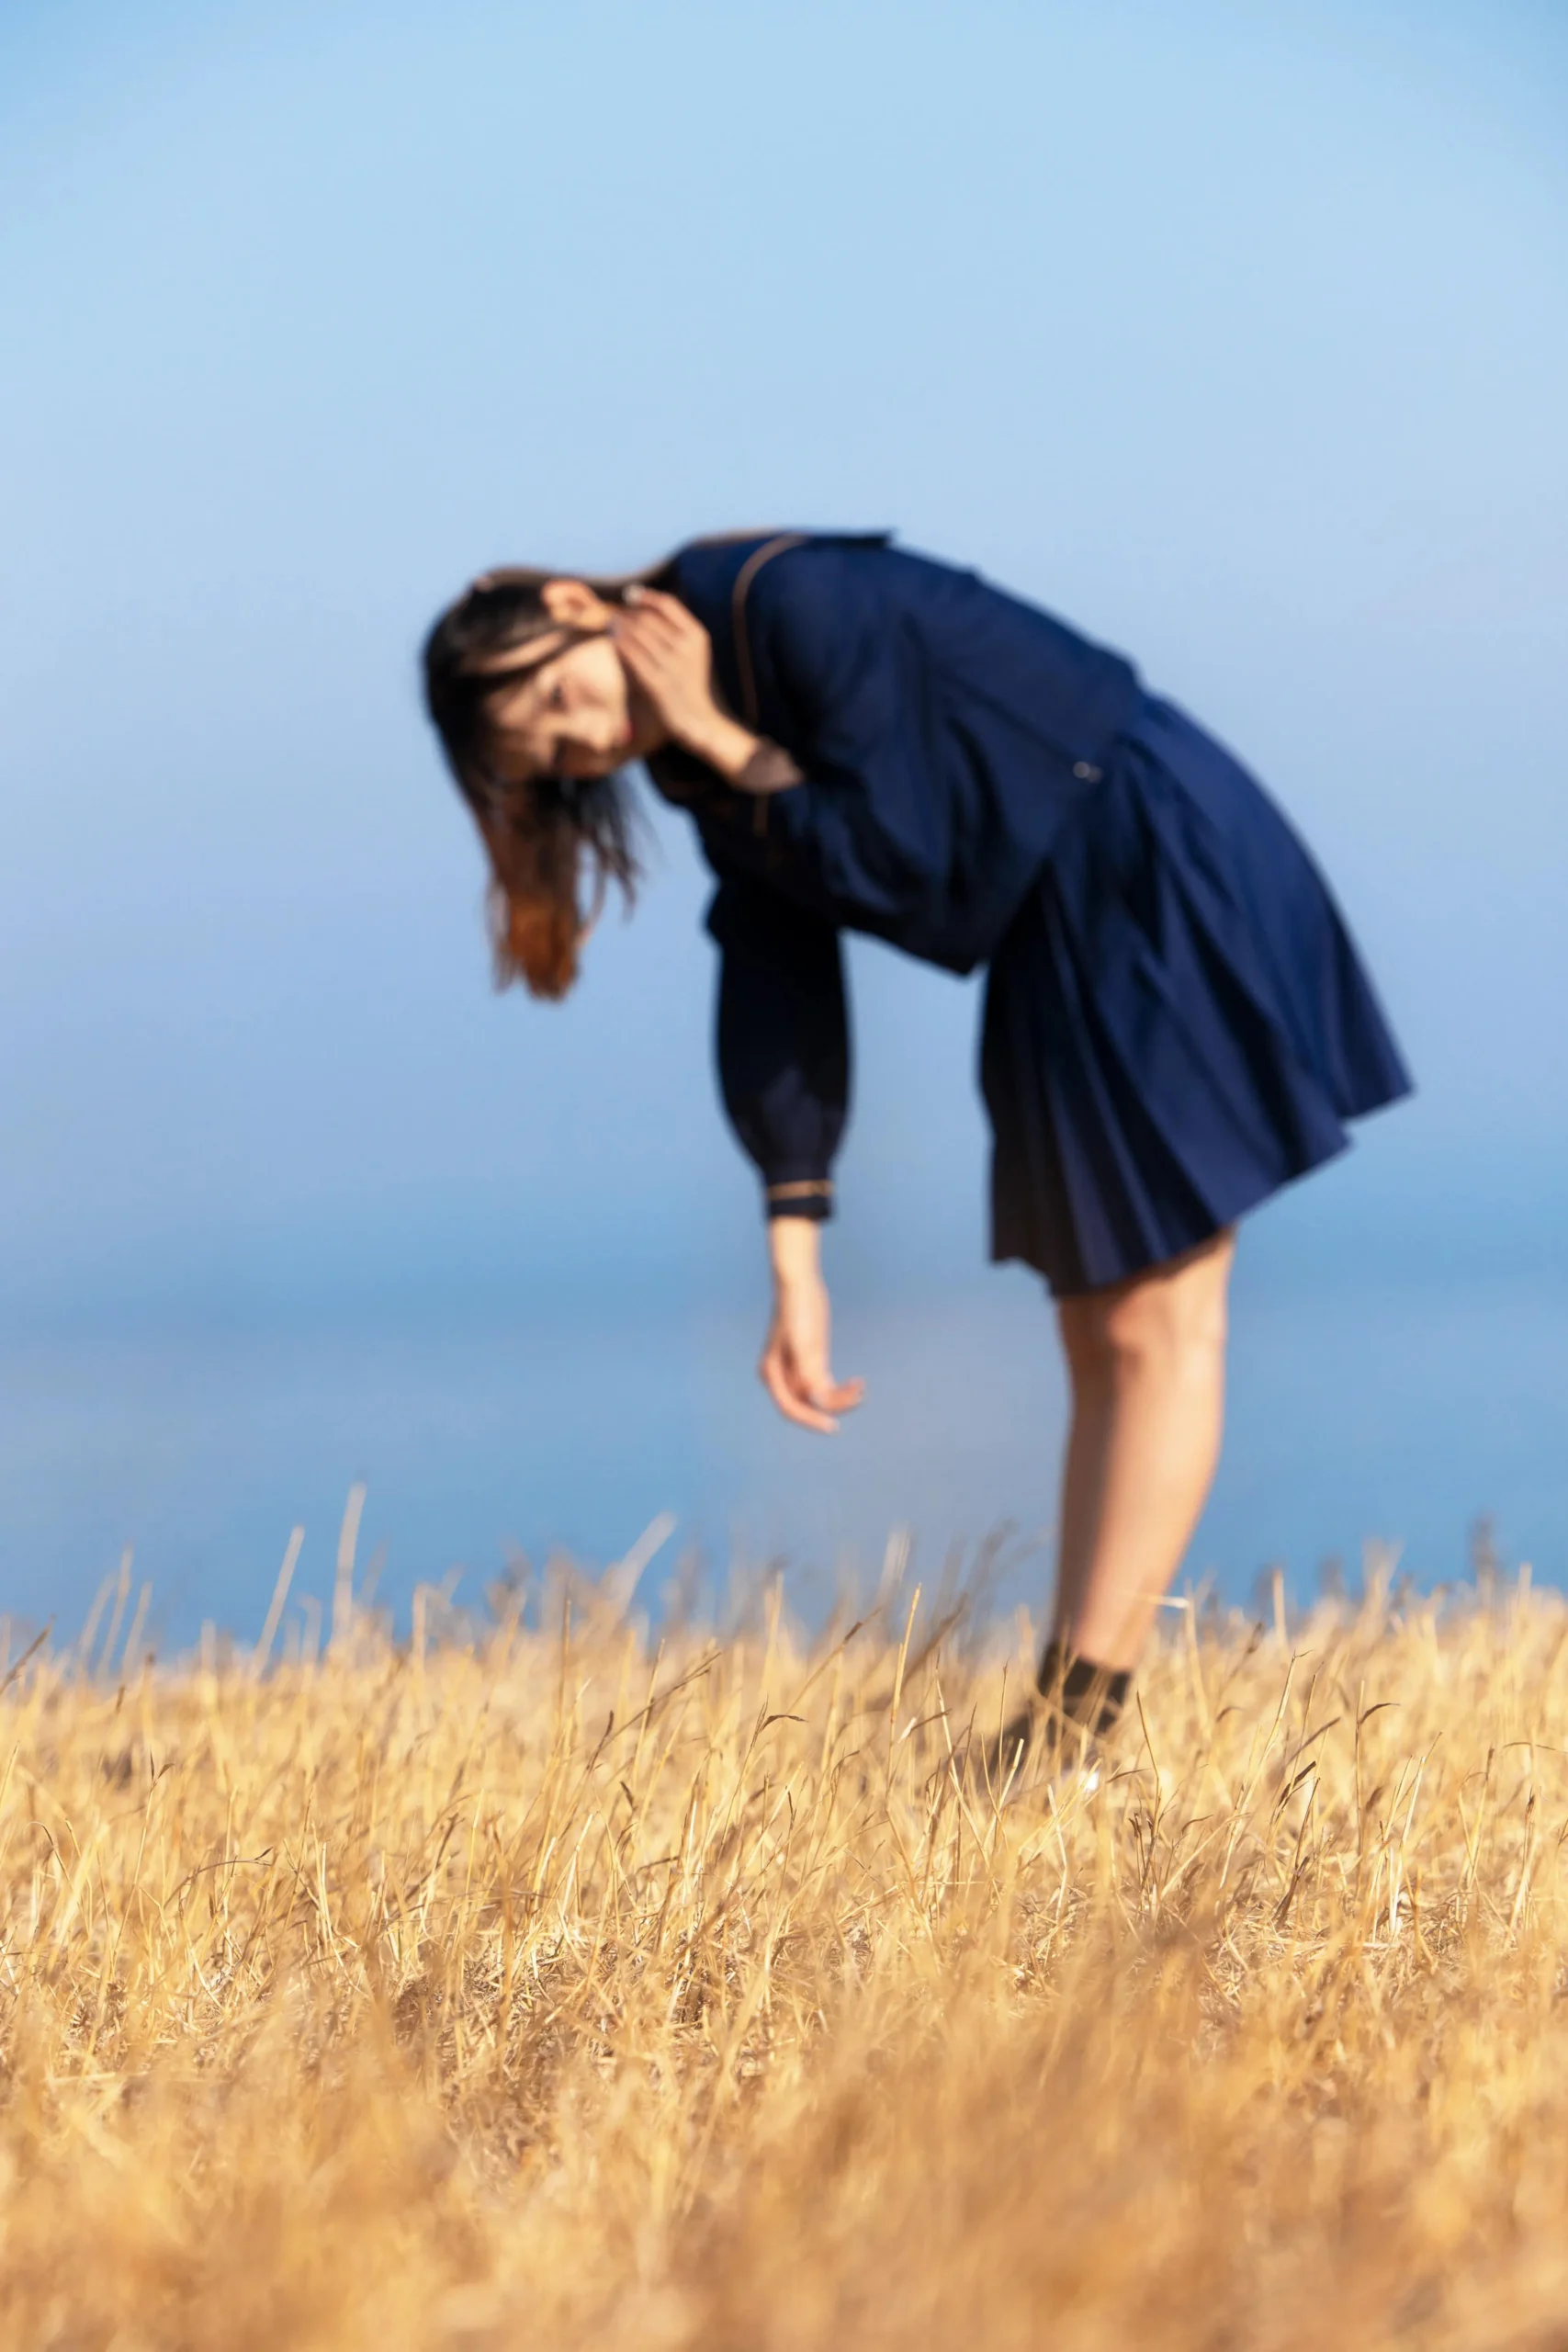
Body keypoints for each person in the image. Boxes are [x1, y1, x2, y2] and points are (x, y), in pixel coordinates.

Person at [422, 531, 1410, 1772]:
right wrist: (794, 1251)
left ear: (574, 603)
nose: (593, 741)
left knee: (1158, 1322)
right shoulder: (688, 741)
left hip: (1141, 857)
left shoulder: (791, 603)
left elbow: (906, 863)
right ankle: (1064, 1725)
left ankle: (1072, 1731)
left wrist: (722, 740)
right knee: (1099, 1329)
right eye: (563, 759)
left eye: (566, 699)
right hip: (1050, 925)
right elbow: (777, 958)